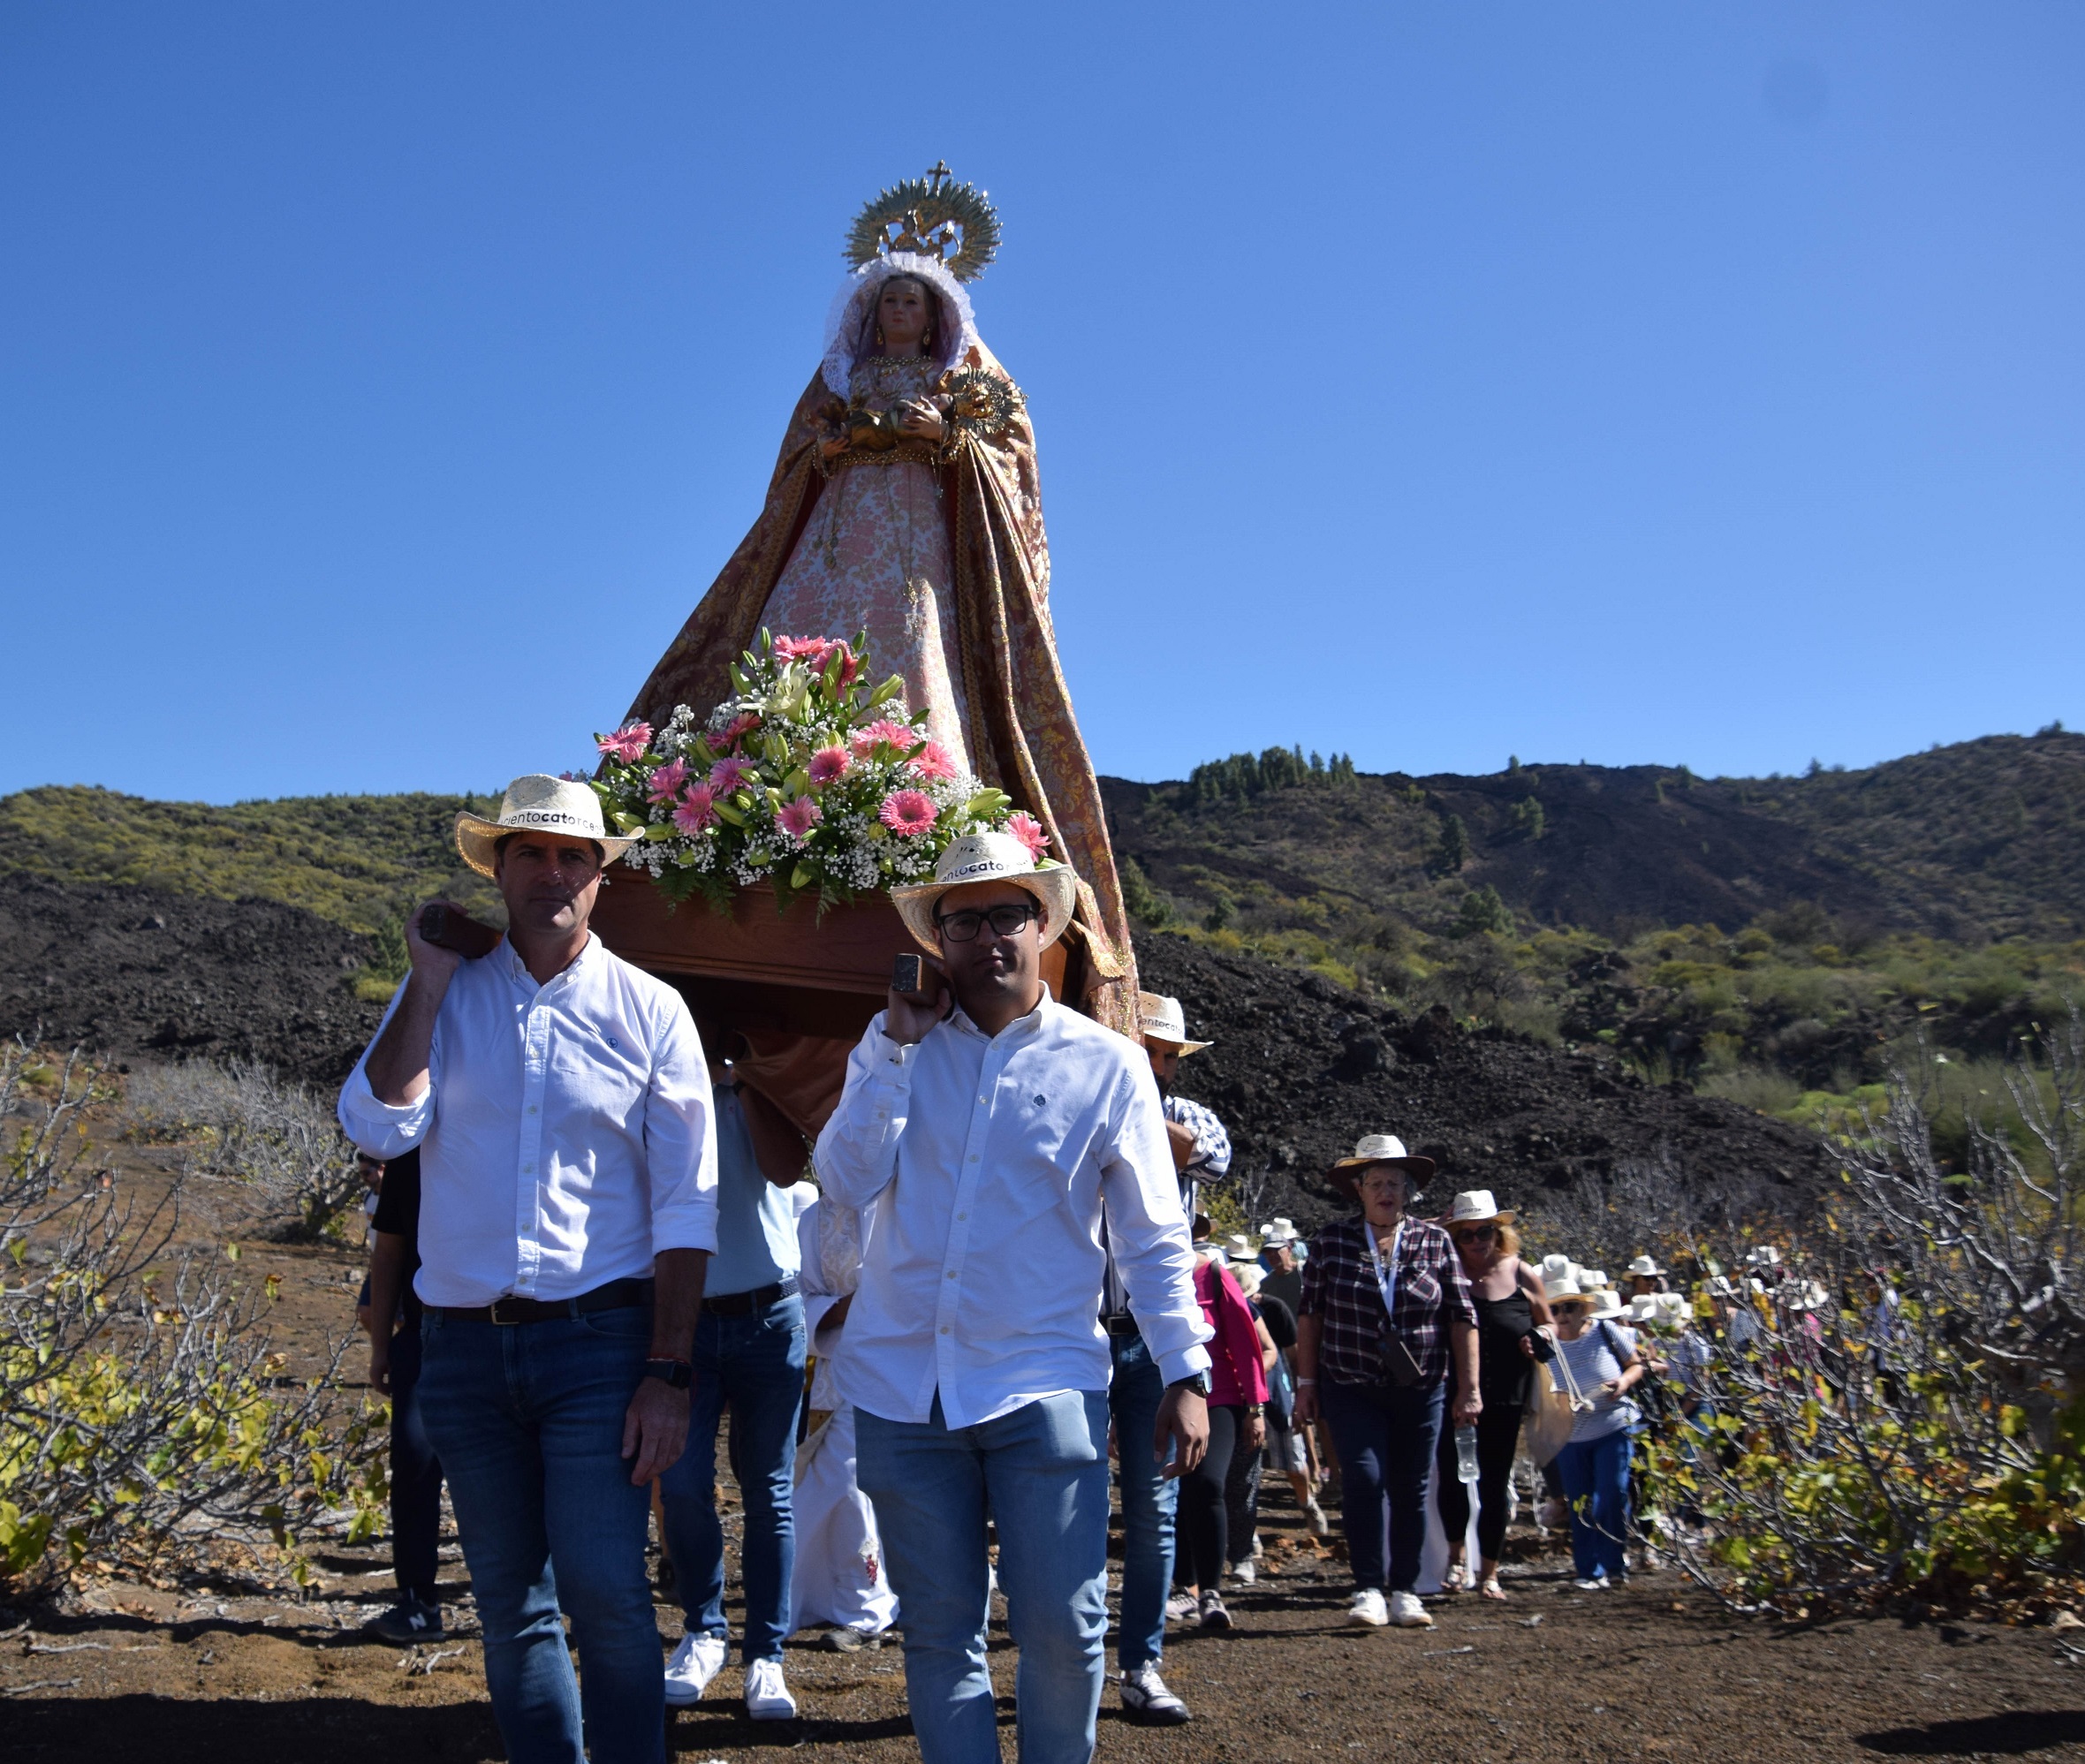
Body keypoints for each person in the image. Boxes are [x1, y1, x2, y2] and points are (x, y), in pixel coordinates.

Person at [622, 169, 1140, 1032]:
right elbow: (791, 463)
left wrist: (949, 443)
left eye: (913, 302)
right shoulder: (836, 378)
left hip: (919, 548)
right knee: (801, 657)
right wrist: (831, 449)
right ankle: (765, 783)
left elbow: (1009, 462)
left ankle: (922, 792)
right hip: (834, 541)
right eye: (889, 300)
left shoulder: (969, 373)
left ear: (935, 314)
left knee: (911, 648)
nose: (900, 314)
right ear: (871, 310)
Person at [338, 775, 718, 1764]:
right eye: (530, 852)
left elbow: (686, 1206)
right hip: (461, 1350)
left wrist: (668, 1371)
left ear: (600, 877)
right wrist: (424, 980)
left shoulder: (651, 1011)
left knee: (605, 1588)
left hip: (599, 1345)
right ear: (498, 869)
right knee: (510, 1603)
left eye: (572, 856)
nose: (551, 871)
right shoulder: (444, 993)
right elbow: (377, 1122)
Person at [814, 831, 1213, 1764]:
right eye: (963, 918)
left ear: (1044, 927)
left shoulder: (1105, 1064)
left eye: (1006, 914)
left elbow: (1153, 1235)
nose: (986, 935)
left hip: (1042, 1378)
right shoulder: (894, 1048)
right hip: (903, 1384)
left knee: (1065, 1631)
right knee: (937, 1632)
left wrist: (1186, 1370)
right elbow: (842, 1176)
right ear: (938, 935)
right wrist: (894, 1051)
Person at [656, 1058, 810, 1720]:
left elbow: (785, 1167)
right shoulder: (661, 1077)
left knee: (768, 1490)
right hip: (685, 1316)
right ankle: (704, 1629)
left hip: (769, 1313)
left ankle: (766, 1656)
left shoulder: (764, 1078)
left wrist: (746, 1076)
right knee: (685, 1482)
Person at [1099, 988, 1230, 1726]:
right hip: (1084, 1326)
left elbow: (1207, 1153)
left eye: (1169, 1053)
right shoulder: (1091, 1088)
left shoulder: (1191, 1116)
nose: (1162, 1061)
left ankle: (1141, 1662)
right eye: (1152, 1047)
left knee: (1154, 1510)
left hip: (1152, 1336)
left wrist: (1132, 1091)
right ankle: (1086, 1655)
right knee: (1076, 1506)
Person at [1293, 1135, 1480, 1631]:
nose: (1386, 1192)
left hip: (1422, 1386)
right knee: (1363, 1479)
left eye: (1395, 1183)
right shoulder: (1331, 1242)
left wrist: (1470, 1387)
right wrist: (1306, 1382)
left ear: (1408, 1191)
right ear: (1359, 1190)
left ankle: (1406, 1589)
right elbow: (1310, 1315)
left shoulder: (1435, 1241)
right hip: (1349, 1383)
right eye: (1376, 1183)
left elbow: (1462, 1316)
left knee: (1411, 1487)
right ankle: (1368, 1587)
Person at [790, 1193, 900, 1647]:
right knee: (840, 1483)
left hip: (913, 1370)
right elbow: (795, 1300)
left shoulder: (918, 1195)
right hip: (842, 1376)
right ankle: (855, 1603)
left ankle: (906, 1599)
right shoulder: (817, 1217)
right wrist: (844, 1307)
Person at [1435, 1191, 1552, 1602]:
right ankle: (1455, 1558)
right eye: (1465, 1234)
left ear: (1498, 1231)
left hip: (1505, 1395)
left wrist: (1539, 1337)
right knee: (1451, 1478)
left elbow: (1550, 1325)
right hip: (1450, 1394)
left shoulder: (1521, 1273)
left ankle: (1489, 1572)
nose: (1476, 1241)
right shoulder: (1443, 1271)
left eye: (1484, 1231)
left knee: (1494, 1484)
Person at [362, 1147, 447, 1642]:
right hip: (422, 1333)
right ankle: (418, 1602)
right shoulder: (411, 1155)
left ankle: (543, 1608)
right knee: (414, 1465)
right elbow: (388, 1249)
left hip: (496, 1331)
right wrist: (381, 1348)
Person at [1172, 1247, 1267, 1631]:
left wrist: (1255, 1407)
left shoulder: (1212, 1274)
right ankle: (1182, 1587)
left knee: (1208, 1483)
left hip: (1219, 1397)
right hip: (1161, 1398)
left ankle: (1210, 1590)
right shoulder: (1136, 1269)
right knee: (1172, 1492)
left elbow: (1246, 1341)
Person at [1547, 1276, 1644, 1590]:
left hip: (1614, 1424)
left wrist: (1624, 1383)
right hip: (1570, 1434)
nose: (1563, 1314)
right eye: (1555, 1308)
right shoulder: (1544, 1346)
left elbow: (1635, 1364)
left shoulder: (1605, 1330)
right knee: (1580, 1502)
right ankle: (1589, 1570)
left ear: (1583, 1309)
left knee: (1612, 1494)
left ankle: (1614, 1564)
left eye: (1570, 1306)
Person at [1242, 1250, 1330, 1538]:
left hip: (1277, 1386)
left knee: (1293, 1460)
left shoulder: (1275, 1309)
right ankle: (1246, 1533)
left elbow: (1292, 1355)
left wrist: (1302, 1390)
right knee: (1241, 1469)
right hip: (1240, 1393)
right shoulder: (1224, 1313)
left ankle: (1306, 1502)